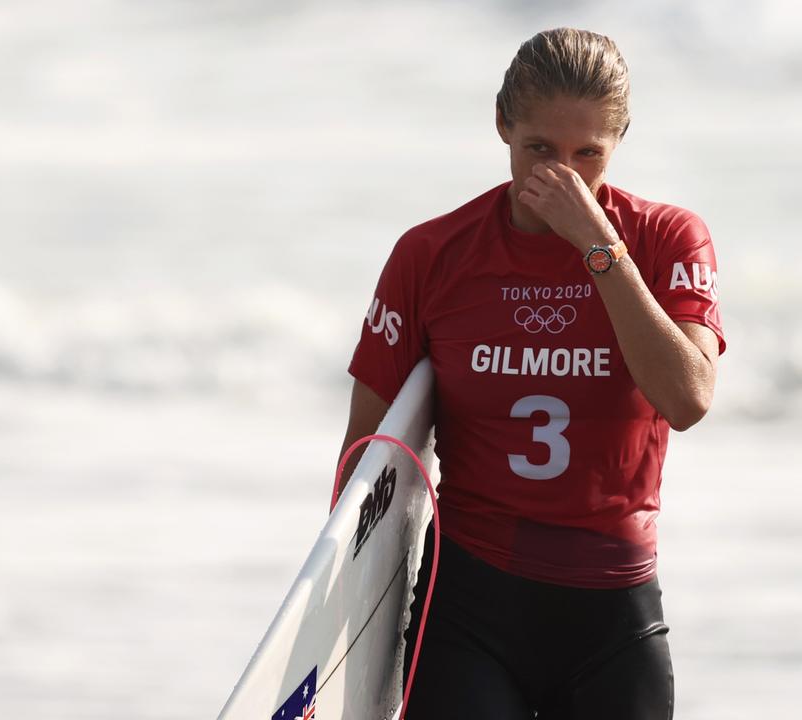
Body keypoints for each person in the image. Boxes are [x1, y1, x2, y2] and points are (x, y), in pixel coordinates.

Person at [340, 27, 725, 719]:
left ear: (619, 141)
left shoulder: (666, 238)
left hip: (612, 609)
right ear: (501, 126)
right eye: (539, 150)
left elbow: (688, 397)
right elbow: (368, 456)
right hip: (467, 609)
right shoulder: (432, 254)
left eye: (587, 156)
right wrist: (341, 616)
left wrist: (599, 247)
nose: (560, 176)